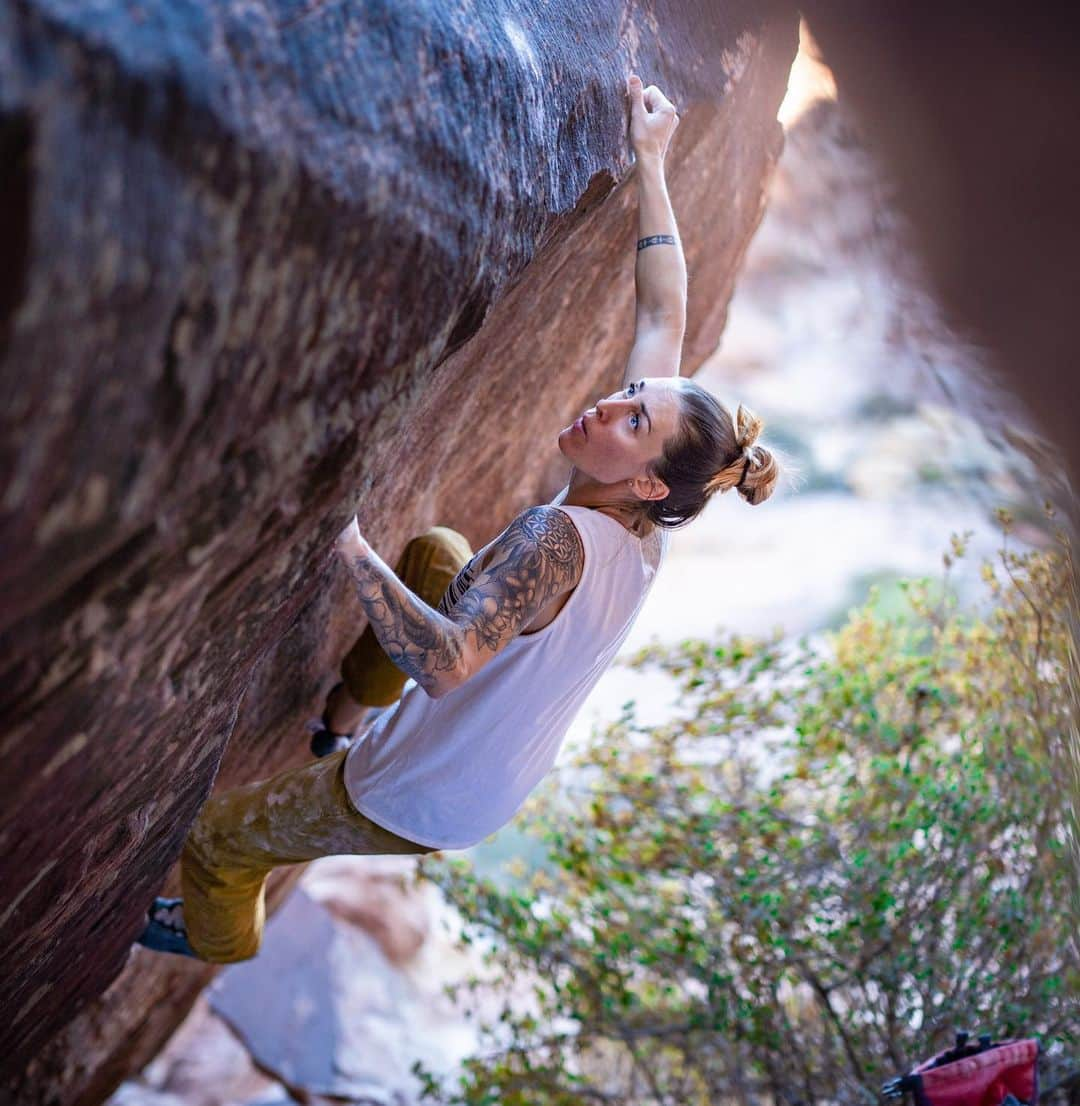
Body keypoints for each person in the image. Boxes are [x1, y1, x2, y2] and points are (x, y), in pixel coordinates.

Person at [139, 75, 779, 961]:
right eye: (632, 392)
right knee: (442, 554)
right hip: (495, 769)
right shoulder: (656, 512)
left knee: (219, 840)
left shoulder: (556, 542)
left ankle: (210, 937)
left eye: (634, 421)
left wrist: (347, 540)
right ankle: (344, 716)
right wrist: (652, 156)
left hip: (424, 787)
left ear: (644, 483)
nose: (609, 404)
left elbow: (445, 666)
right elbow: (666, 307)